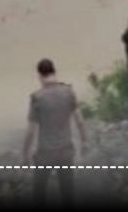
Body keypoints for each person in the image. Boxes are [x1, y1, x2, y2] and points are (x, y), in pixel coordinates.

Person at [23, 59, 87, 208]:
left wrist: (25, 154)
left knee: (39, 193)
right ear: (54, 72)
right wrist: (85, 142)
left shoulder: (37, 97)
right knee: (68, 193)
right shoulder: (68, 92)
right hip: (66, 150)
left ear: (39, 75)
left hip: (45, 153)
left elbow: (31, 131)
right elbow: (80, 121)